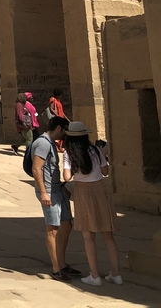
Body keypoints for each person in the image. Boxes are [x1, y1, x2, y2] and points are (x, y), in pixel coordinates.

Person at [62, 122, 122, 286]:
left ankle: (94, 276)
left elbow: (66, 177)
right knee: (108, 235)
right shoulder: (95, 150)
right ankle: (116, 274)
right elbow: (105, 172)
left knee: (88, 236)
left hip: (83, 191)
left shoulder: (69, 153)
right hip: (100, 190)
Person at [32, 116, 83, 281]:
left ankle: (62, 264)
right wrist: (43, 192)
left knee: (66, 224)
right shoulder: (43, 143)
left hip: (57, 189)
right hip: (49, 191)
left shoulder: (51, 144)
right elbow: (36, 168)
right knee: (52, 229)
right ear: (59, 128)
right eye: (65, 130)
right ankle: (56, 269)